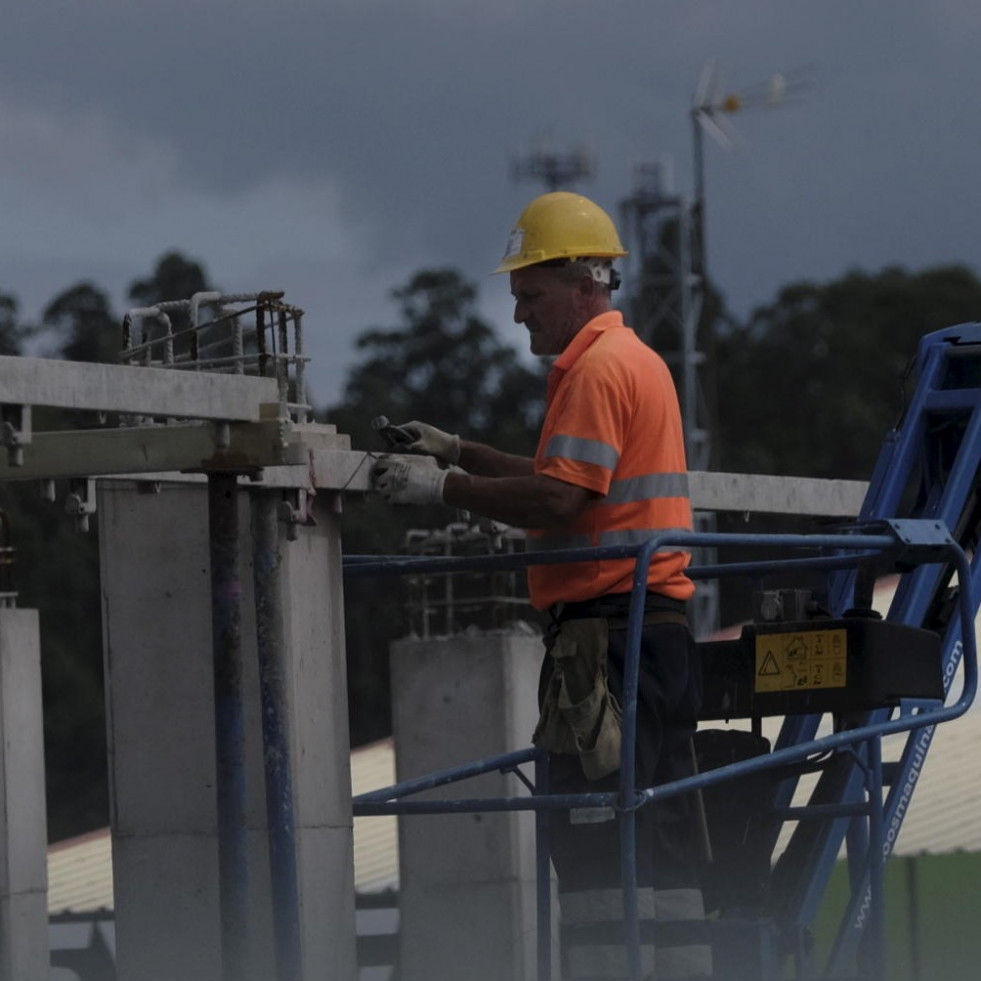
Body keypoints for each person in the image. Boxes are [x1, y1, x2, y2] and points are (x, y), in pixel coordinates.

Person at [372, 191, 710, 980]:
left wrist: (441, 489)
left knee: (591, 832)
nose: (520, 314)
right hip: (653, 636)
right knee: (656, 837)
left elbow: (561, 500)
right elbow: (570, 478)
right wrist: (461, 450)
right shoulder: (634, 361)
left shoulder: (590, 370)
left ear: (581, 281)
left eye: (530, 294)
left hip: (605, 642)